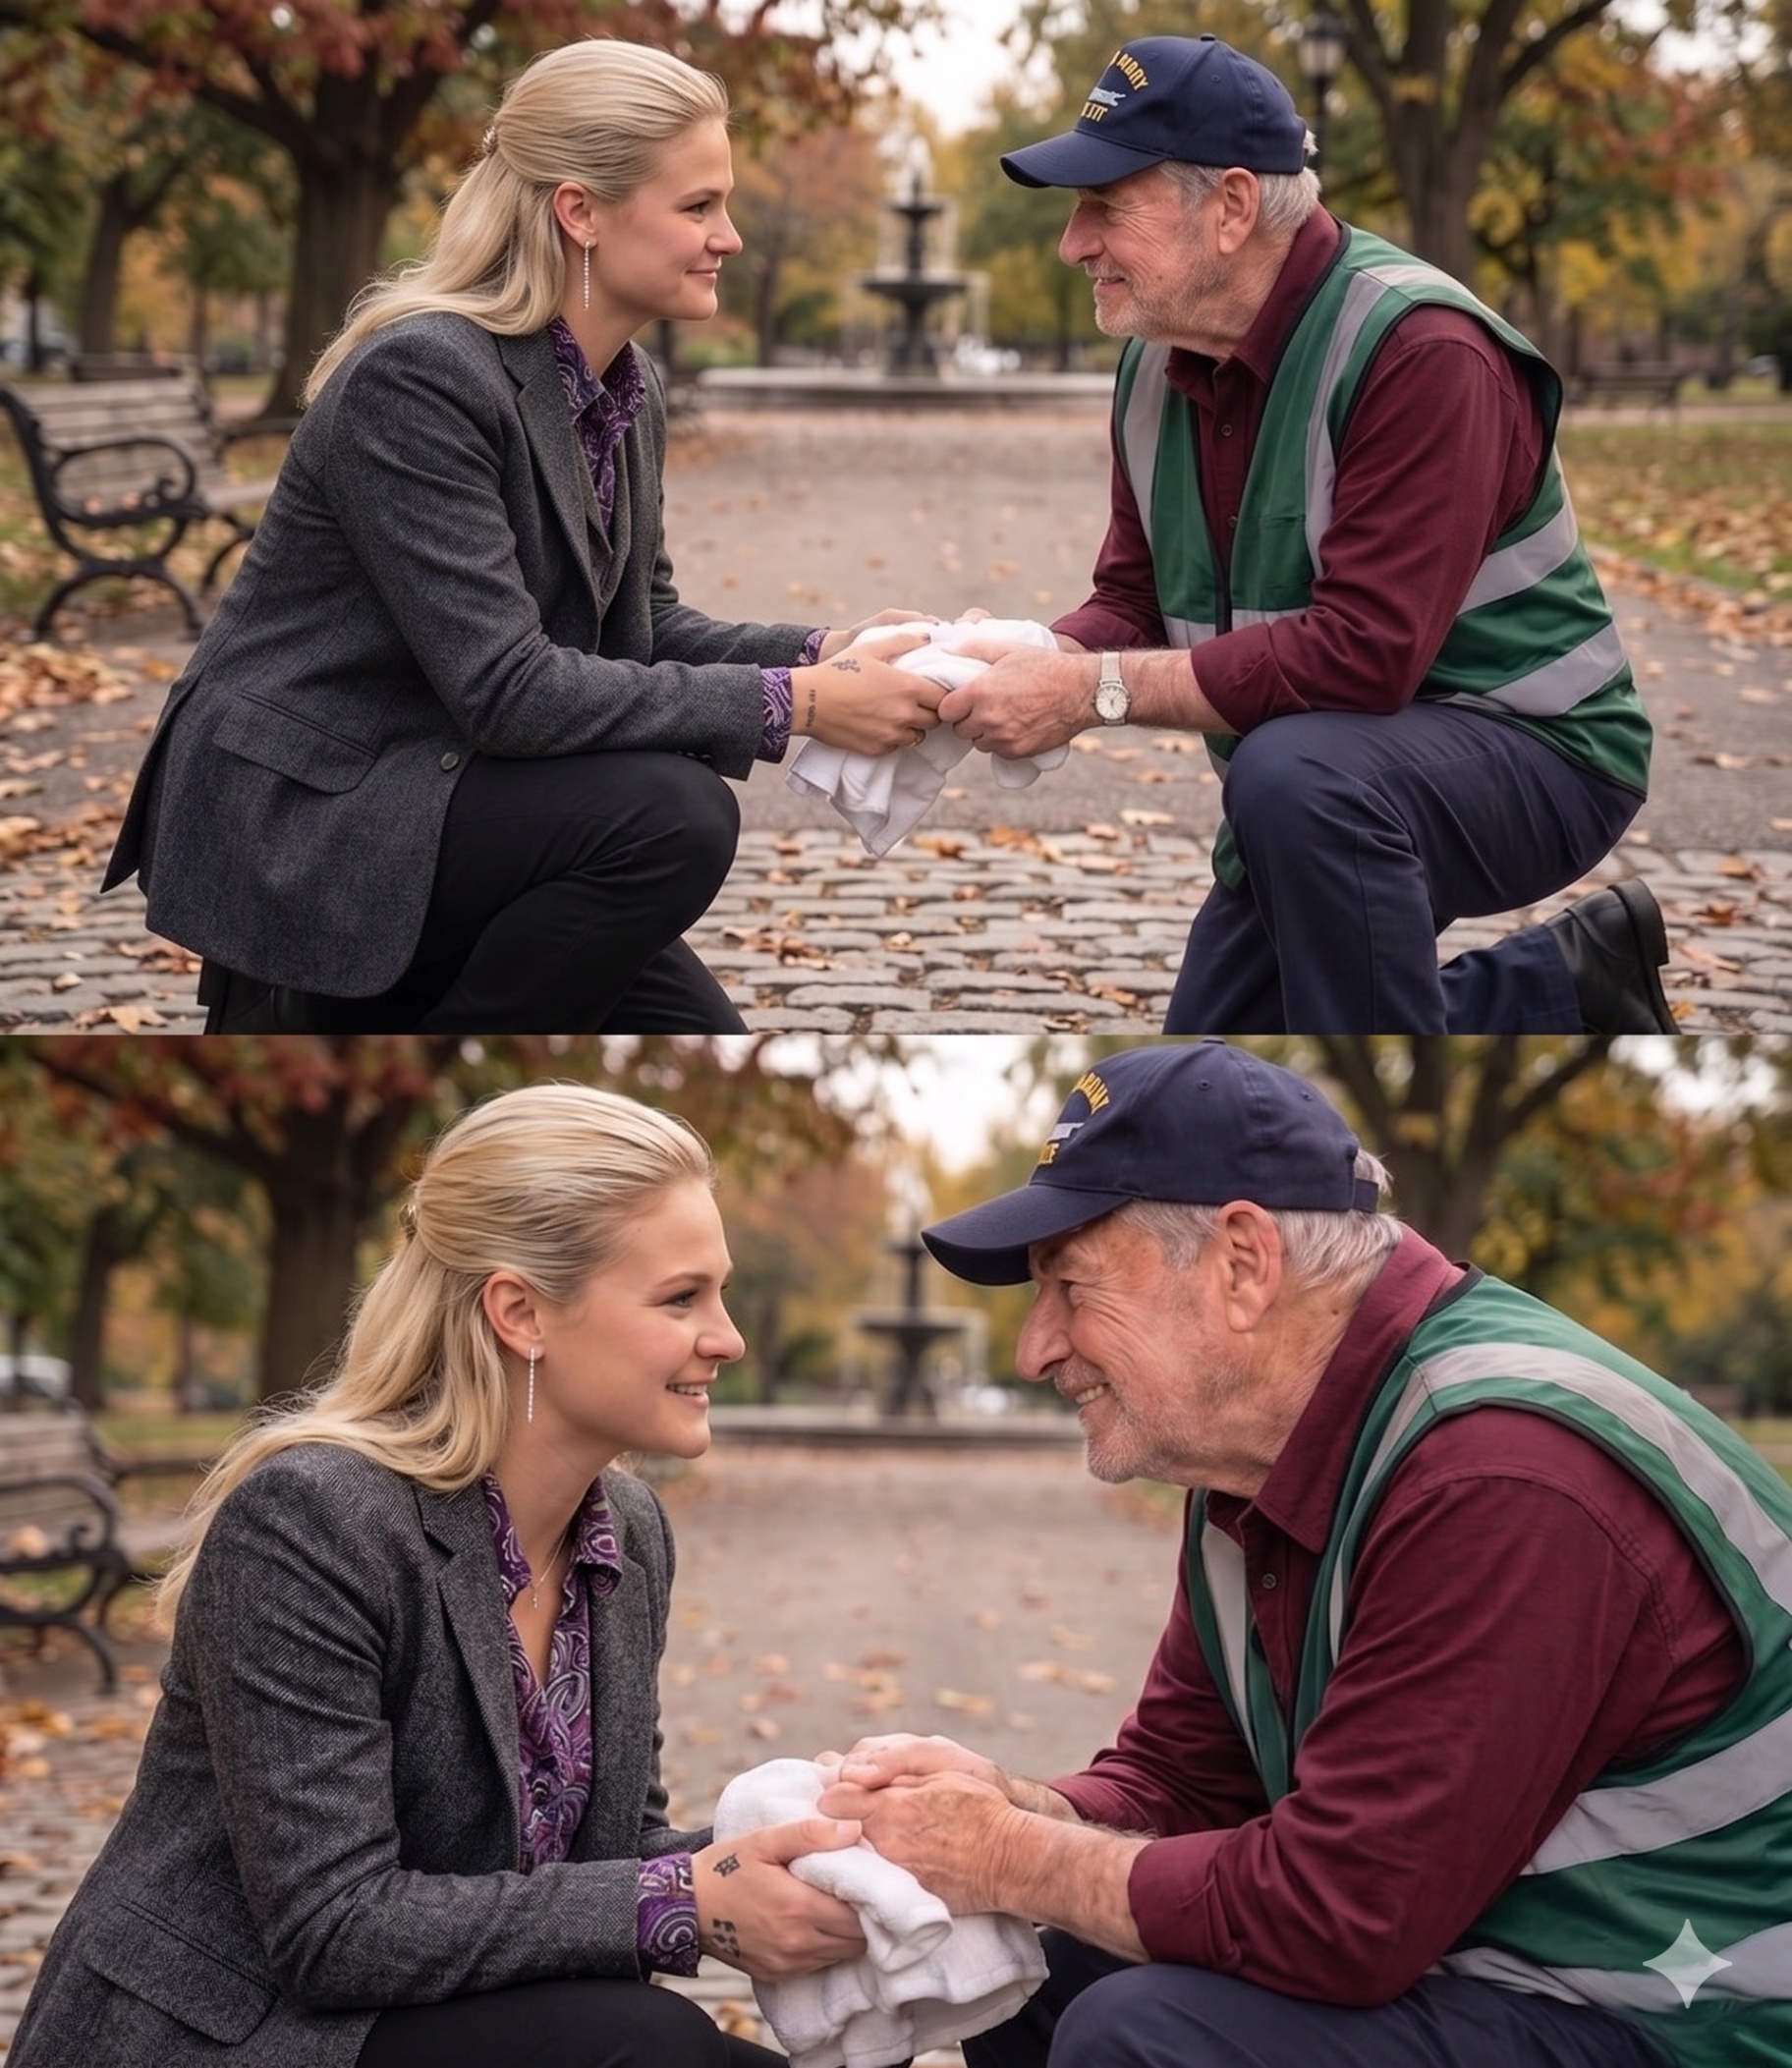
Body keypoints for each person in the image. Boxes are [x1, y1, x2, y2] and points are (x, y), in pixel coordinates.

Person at [819, 1040, 1792, 2068]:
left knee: (1137, 2033)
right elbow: (1186, 1777)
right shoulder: (1260, 1459)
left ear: (1242, 1262)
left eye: (1070, 1286)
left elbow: (1342, 1914)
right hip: (1497, 1962)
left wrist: (1005, 1853)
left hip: (1698, 2021)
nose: (1035, 1347)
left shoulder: (1500, 1471)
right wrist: (1016, 1808)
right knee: (1023, 1967)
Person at [10, 1083, 871, 2068]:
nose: (729, 1336)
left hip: (435, 2011)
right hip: (233, 2029)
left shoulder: (627, 1532)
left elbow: (607, 1855)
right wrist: (682, 1903)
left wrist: (811, 1840)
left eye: (718, 1291)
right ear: (520, 1312)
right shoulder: (313, 1521)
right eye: (682, 1297)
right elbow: (333, 1926)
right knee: (646, 2044)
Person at [101, 39, 941, 1036]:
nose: (732, 237)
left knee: (700, 1034)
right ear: (579, 210)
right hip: (315, 803)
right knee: (672, 816)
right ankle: (380, 1039)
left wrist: (823, 651)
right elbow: (508, 690)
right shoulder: (420, 379)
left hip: (443, 772)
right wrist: (801, 705)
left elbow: (645, 622)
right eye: (698, 205)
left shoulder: (626, 384)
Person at [938, 35, 1679, 1035]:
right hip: (1315, 775)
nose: (1073, 243)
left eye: (1105, 205)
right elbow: (1132, 601)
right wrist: (1018, 654)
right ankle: (1567, 985)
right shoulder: (1157, 357)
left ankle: (1419, 1088)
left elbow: (1362, 656)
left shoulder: (1424, 350)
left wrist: (1091, 693)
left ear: (1234, 207)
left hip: (1539, 751)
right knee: (1210, 1044)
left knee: (1291, 785)